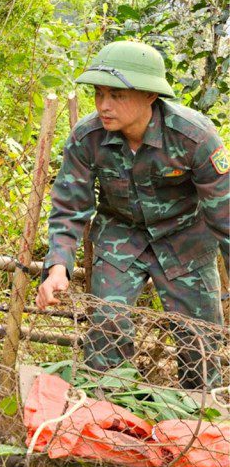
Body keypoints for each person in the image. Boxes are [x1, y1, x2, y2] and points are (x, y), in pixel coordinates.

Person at [36, 40, 229, 388]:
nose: (104, 105)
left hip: (186, 240)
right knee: (107, 328)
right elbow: (70, 206)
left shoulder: (194, 138)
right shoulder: (87, 138)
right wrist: (58, 266)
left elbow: (226, 217)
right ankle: (107, 415)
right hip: (121, 237)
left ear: (150, 96)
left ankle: (199, 427)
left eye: (117, 95)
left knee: (200, 344)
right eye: (98, 94)